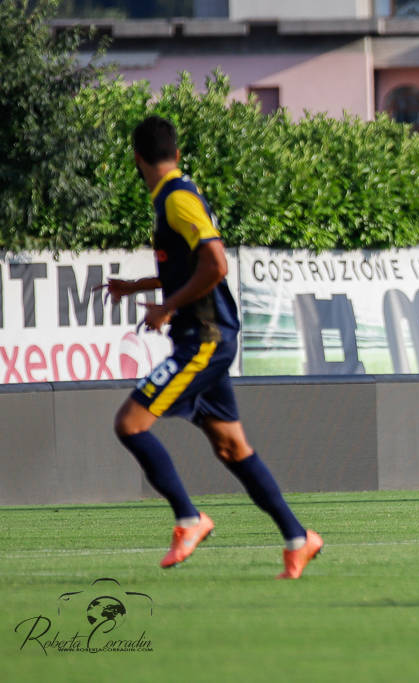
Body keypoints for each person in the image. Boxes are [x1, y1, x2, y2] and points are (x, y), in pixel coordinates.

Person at [101, 116, 323, 578]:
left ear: (137, 159)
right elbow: (190, 268)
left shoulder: (178, 199)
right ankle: (299, 538)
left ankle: (189, 518)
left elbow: (217, 264)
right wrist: (136, 285)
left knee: (130, 424)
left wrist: (167, 308)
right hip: (205, 336)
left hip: (206, 338)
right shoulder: (176, 195)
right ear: (176, 154)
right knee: (231, 447)